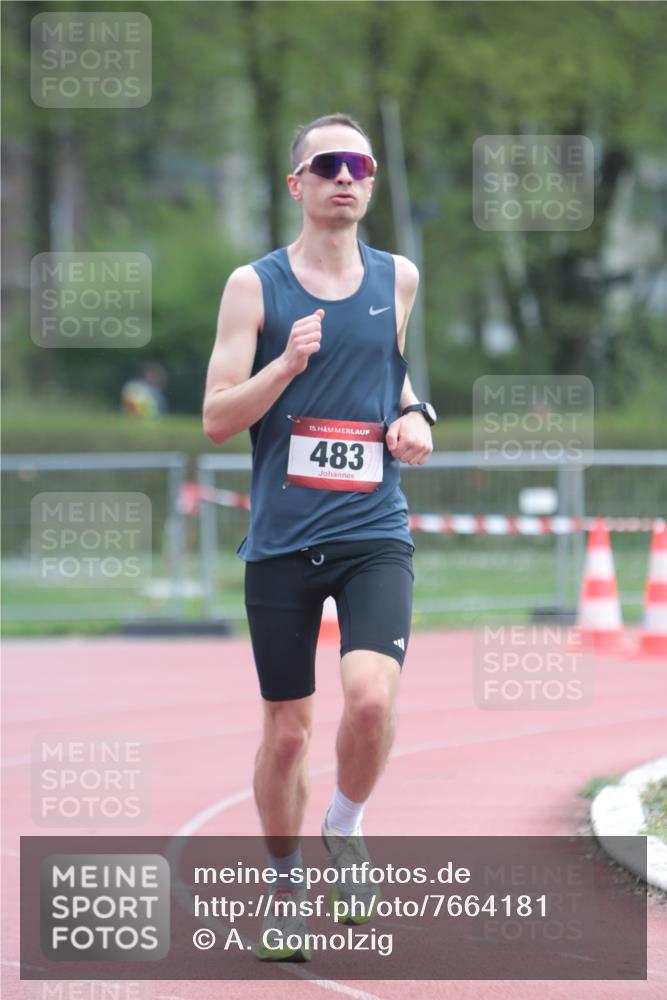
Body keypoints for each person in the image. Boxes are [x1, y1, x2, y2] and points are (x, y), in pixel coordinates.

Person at [203, 112, 436, 960]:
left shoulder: (398, 277)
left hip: (373, 528)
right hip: (281, 539)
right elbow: (216, 419)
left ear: (370, 183)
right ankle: (282, 886)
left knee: (371, 700)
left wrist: (415, 416)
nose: (345, 176)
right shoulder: (254, 286)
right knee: (290, 731)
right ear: (296, 184)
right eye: (326, 164)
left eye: (359, 164)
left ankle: (345, 827)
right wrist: (284, 366)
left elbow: (391, 372)